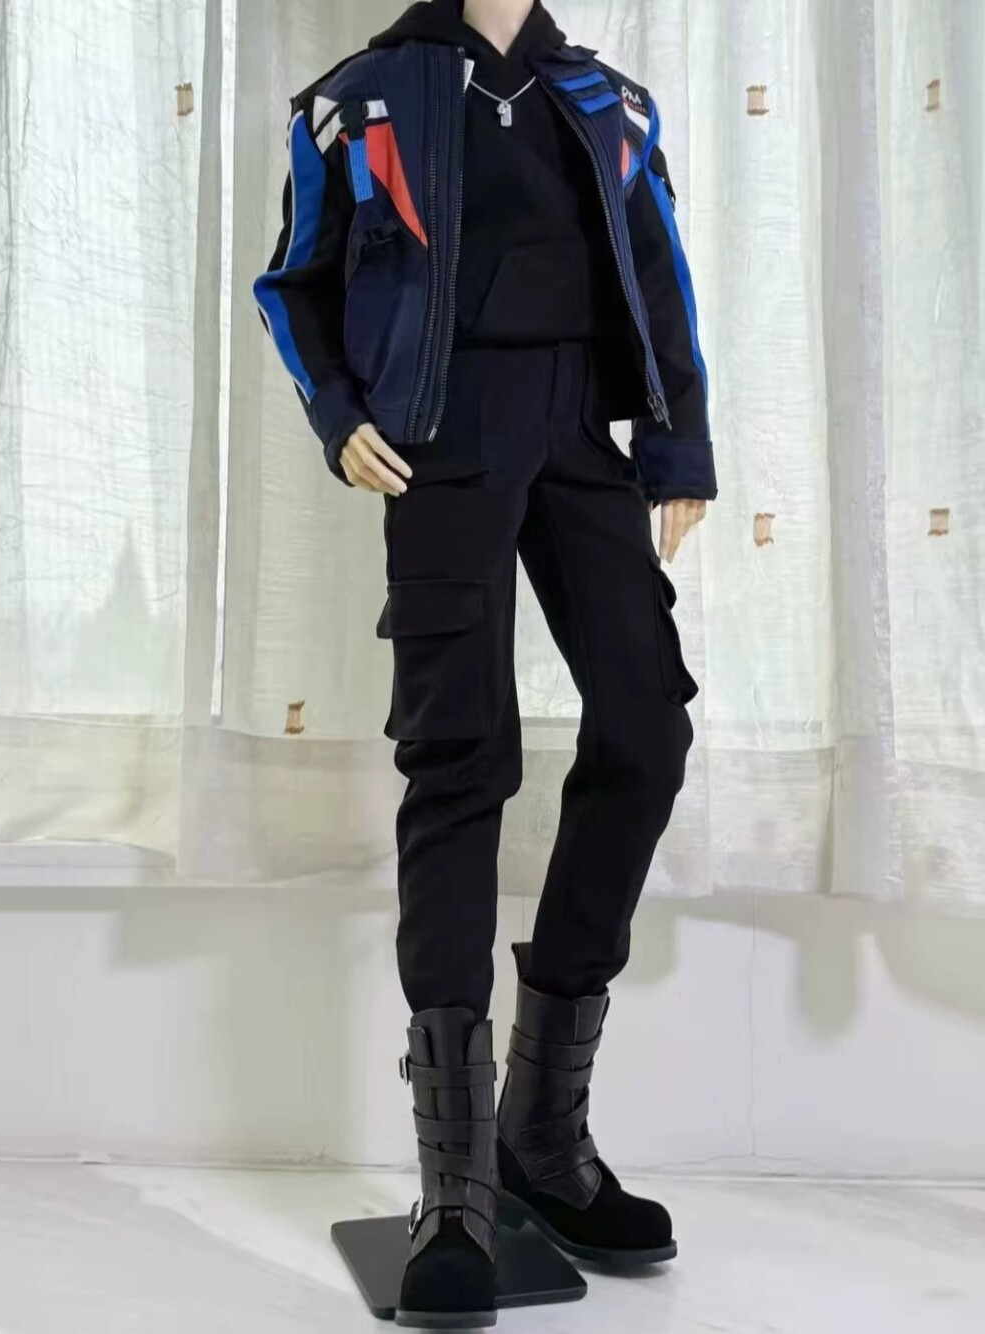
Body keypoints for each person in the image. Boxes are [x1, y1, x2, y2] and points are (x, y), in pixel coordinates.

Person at [255, 0, 715, 1325]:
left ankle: (542, 1133)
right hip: (440, 448)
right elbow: (292, 284)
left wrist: (678, 446)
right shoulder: (357, 99)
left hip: (581, 444)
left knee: (647, 730)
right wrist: (339, 415)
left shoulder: (611, 105)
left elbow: (660, 270)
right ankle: (454, 1185)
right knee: (462, 761)